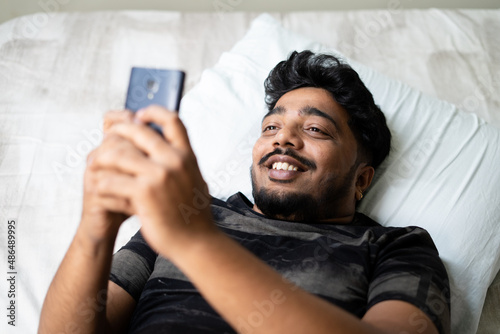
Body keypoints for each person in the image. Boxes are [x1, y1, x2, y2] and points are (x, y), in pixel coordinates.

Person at [39, 50, 450, 334]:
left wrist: (196, 244)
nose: (282, 139)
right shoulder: (184, 214)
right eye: (270, 127)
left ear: (362, 180)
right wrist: (96, 224)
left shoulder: (398, 246)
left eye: (315, 129)